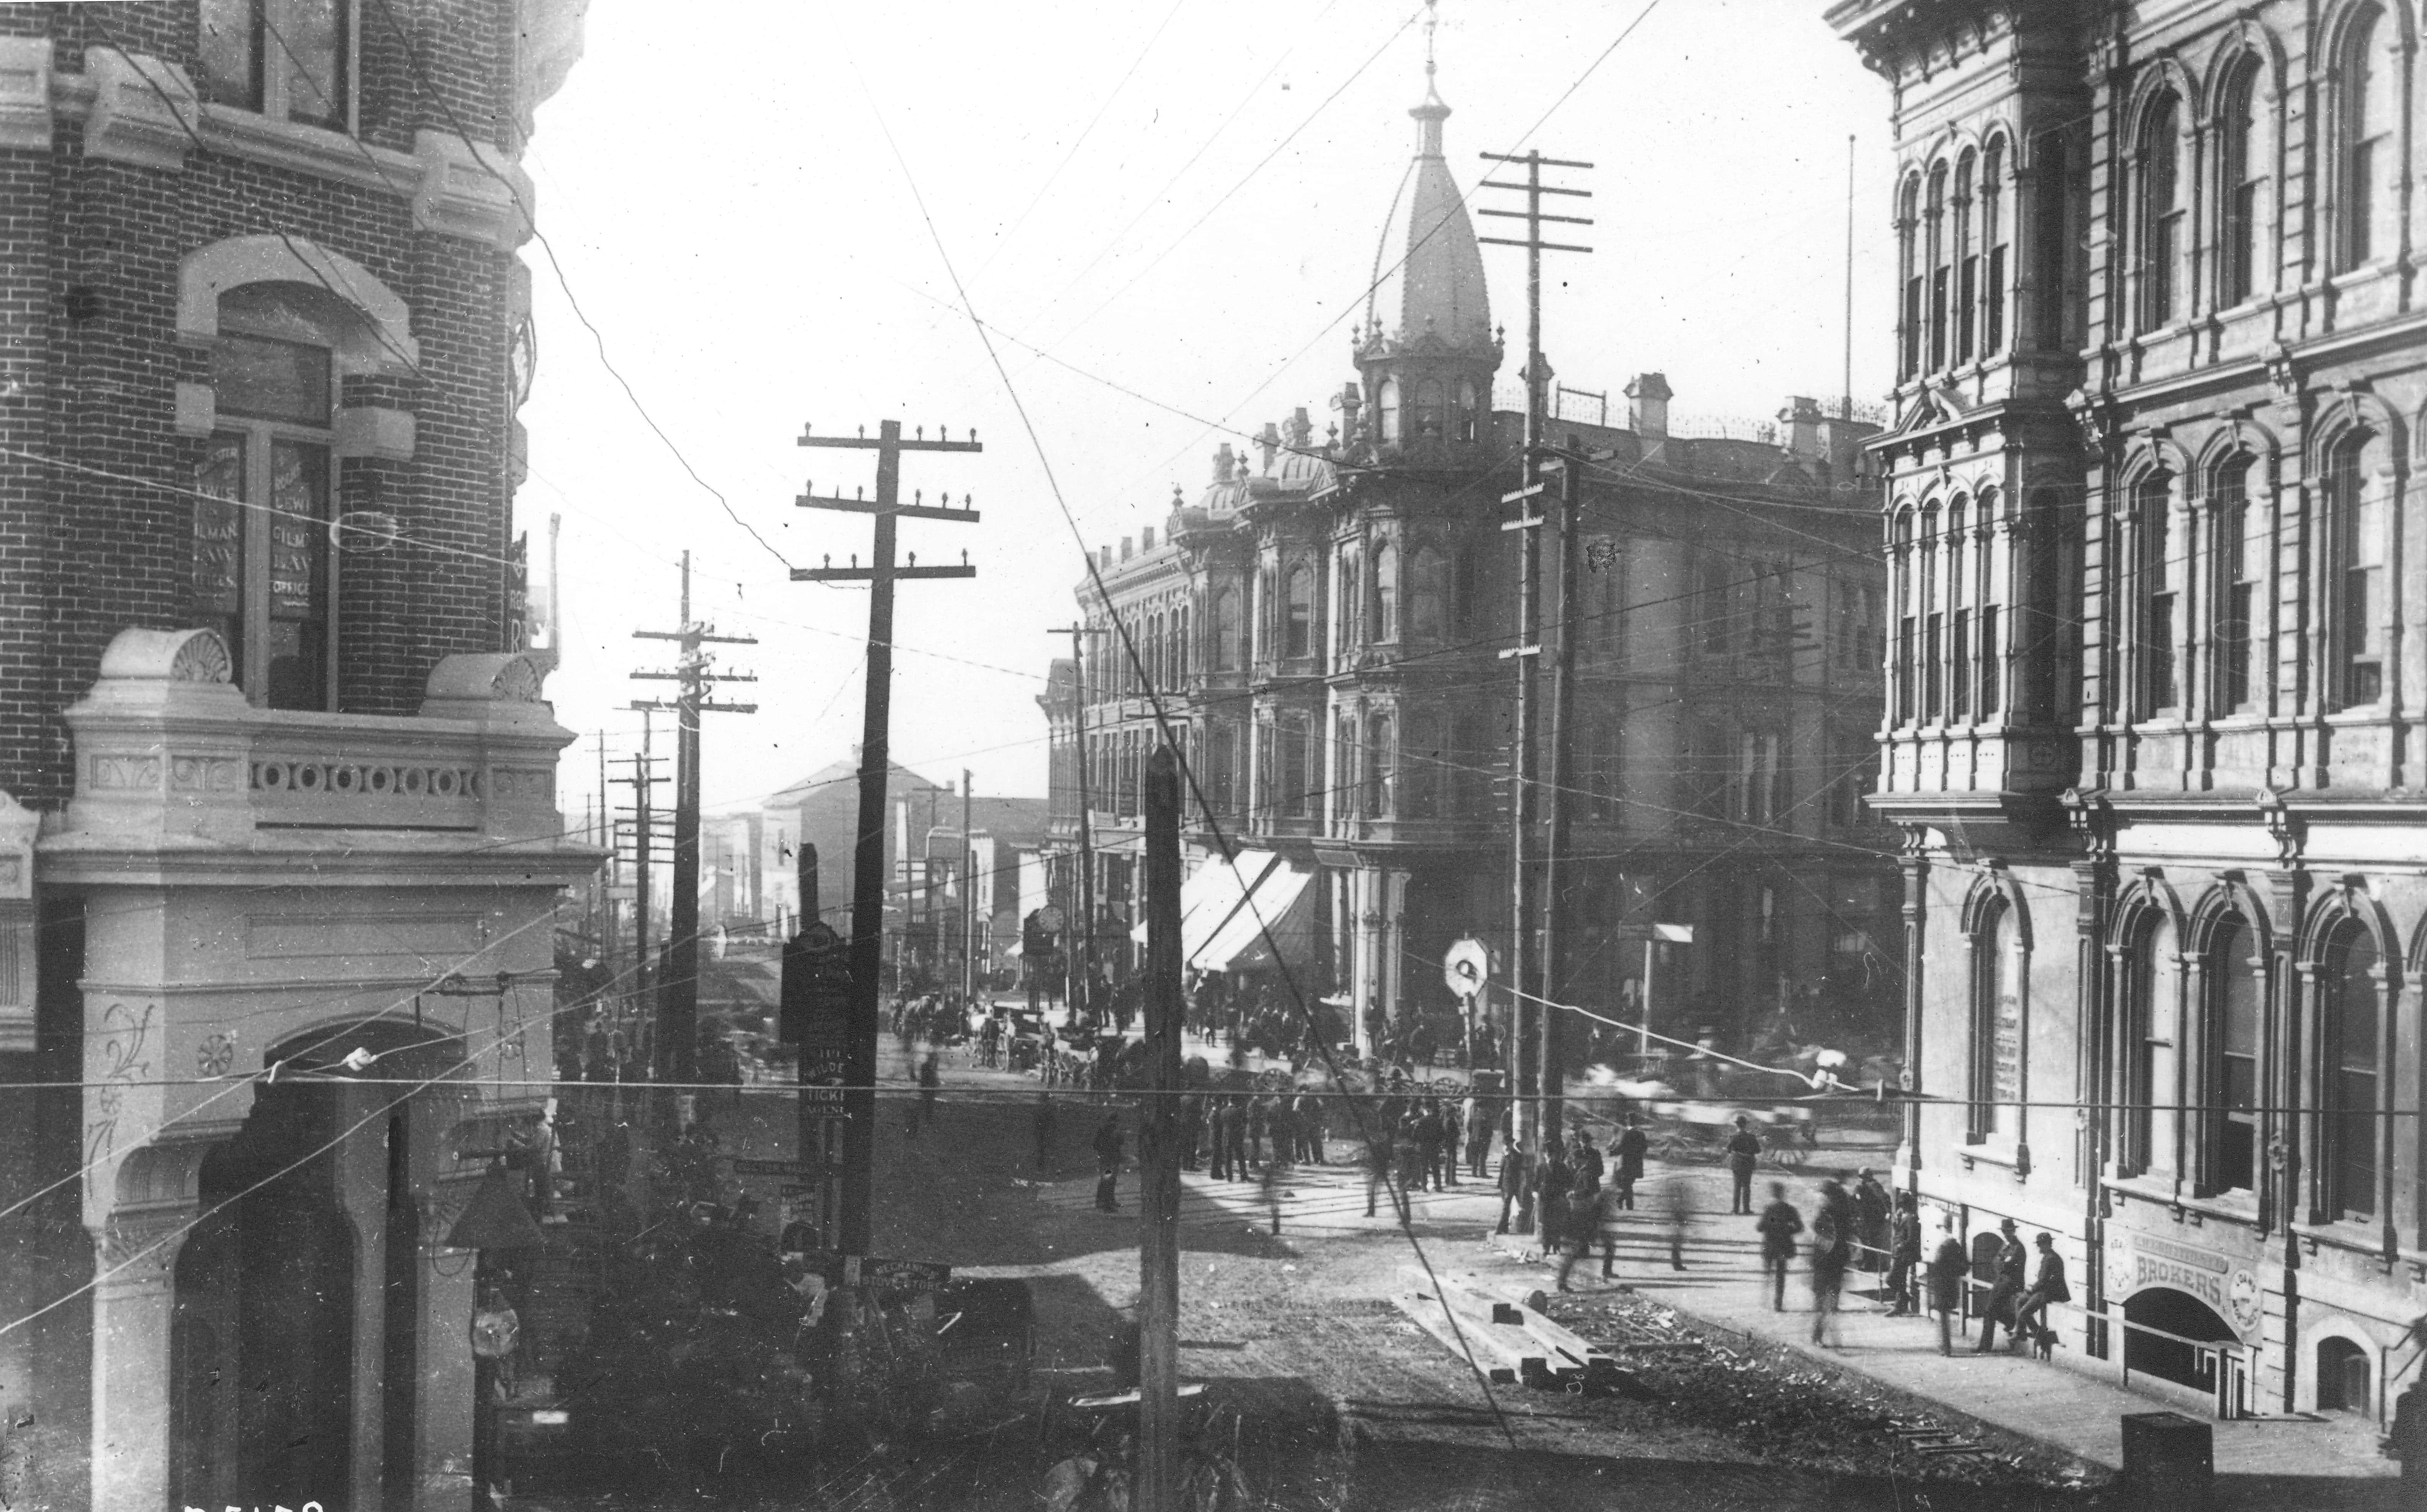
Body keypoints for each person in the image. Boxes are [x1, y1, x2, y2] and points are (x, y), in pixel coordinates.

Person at [1972, 1218, 2027, 1353]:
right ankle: (2012, 1322)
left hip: (2012, 1283)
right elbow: (1995, 1262)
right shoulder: (2006, 1246)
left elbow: (2007, 1265)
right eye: (2004, 1232)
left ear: (2014, 1231)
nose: (2006, 1234)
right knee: (1990, 1310)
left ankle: (1985, 1346)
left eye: (2009, 1232)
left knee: (1990, 1310)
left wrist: (2002, 1263)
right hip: (2002, 1281)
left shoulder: (2018, 1248)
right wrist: (2002, 1263)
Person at [2010, 1231, 2069, 1357]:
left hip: (2050, 1293)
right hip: (2043, 1290)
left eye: (2041, 1245)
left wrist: (2032, 1290)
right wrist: (2032, 1289)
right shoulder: (2048, 1257)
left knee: (2024, 1312)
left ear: (2047, 1245)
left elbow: (2044, 1281)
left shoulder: (2051, 1259)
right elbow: (2043, 1280)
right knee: (2020, 1301)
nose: (2039, 1247)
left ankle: (2042, 1338)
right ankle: (2021, 1333)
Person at [1808, 1180, 1852, 1347]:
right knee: (1828, 1304)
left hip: (1827, 1266)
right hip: (1831, 1266)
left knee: (1826, 1305)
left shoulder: (1827, 1215)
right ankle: (1821, 1337)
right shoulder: (1836, 1214)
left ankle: (1821, 1337)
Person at [1755, 1183, 1803, 1311]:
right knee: (1781, 1276)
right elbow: (1800, 1227)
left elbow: (1759, 1228)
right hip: (1783, 1246)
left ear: (1773, 1194)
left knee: (1768, 1273)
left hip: (1770, 1246)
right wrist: (1787, 1231)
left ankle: (1764, 1301)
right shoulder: (1790, 1209)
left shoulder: (1769, 1209)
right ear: (1783, 1194)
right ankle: (1778, 1304)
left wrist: (1770, 1228)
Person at [1928, 1217, 1968, 1355]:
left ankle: (1946, 1348)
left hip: (1941, 1285)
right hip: (1952, 1285)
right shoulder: (1957, 1246)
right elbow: (1965, 1267)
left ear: (1945, 1230)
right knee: (1945, 1317)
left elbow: (1937, 1265)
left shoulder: (1944, 1247)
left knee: (1943, 1318)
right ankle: (1946, 1347)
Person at [1886, 1192, 1922, 1316]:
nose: (1901, 1207)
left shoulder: (1911, 1218)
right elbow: (1899, 1234)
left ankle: (1903, 1300)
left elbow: (1912, 1239)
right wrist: (1896, 1224)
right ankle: (1900, 1306)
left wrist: (1901, 1246)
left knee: (1891, 1280)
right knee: (1899, 1281)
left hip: (1904, 1255)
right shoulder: (1904, 1217)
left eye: (1903, 1204)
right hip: (1899, 1254)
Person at [1852, 1168, 1891, 1275]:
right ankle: (1868, 1263)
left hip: (1874, 1220)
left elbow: (1884, 1199)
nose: (1860, 1179)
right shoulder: (1863, 1187)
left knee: (1871, 1242)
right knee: (1868, 1242)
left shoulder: (1874, 1186)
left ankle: (1870, 1265)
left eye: (1862, 1177)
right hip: (1868, 1219)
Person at [1724, 1116, 1764, 1215]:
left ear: (1737, 1125)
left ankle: (1736, 1210)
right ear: (1746, 1125)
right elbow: (1758, 1151)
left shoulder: (1735, 1136)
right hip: (1748, 1164)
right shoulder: (1752, 1137)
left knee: (1737, 1187)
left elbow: (1729, 1149)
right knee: (1746, 1187)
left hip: (1737, 1163)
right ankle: (1746, 1209)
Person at [1495, 1137, 1531, 1235]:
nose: (1506, 1146)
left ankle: (1500, 1228)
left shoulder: (1515, 1156)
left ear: (1512, 1145)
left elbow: (1518, 1170)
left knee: (1506, 1207)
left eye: (1508, 1144)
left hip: (1513, 1185)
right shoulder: (1505, 1155)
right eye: (1505, 1144)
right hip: (1505, 1184)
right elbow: (1502, 1171)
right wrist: (1499, 1185)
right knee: (1506, 1207)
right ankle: (1505, 1227)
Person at [1093, 1110, 1125, 1213]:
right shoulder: (1105, 1131)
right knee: (1107, 1180)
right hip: (1108, 1160)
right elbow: (1097, 1144)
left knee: (1111, 1180)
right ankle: (1105, 1204)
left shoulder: (1114, 1130)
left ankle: (1109, 1201)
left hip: (1112, 1159)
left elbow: (1120, 1142)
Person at [1613, 1114, 1647, 1211]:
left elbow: (1622, 1147)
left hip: (1627, 1163)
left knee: (1628, 1186)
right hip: (1636, 1164)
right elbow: (1645, 1148)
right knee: (1629, 1185)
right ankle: (1629, 1207)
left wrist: (1612, 1152)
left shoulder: (1627, 1133)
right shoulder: (1641, 1133)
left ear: (1628, 1121)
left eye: (1628, 1119)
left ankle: (1622, 1202)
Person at [1662, 1173, 1692, 1271]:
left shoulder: (1674, 1194)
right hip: (1677, 1220)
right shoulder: (1677, 1198)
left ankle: (1677, 1263)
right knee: (1677, 1242)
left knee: (1677, 1242)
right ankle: (1677, 1264)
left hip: (1676, 1220)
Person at [914, 1050, 942, 1136]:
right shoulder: (926, 1066)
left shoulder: (932, 1065)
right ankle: (927, 1119)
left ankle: (928, 1118)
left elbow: (934, 1076)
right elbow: (925, 1077)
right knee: (928, 1103)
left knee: (930, 1103)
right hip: (927, 1087)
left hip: (930, 1087)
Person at [1032, 1090, 1057, 1177]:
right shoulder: (1047, 1108)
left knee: (1043, 1150)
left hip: (1044, 1132)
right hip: (1045, 1132)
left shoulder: (1042, 1108)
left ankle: (1043, 1168)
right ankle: (1043, 1168)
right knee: (1044, 1150)